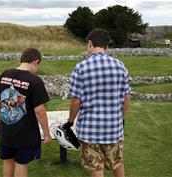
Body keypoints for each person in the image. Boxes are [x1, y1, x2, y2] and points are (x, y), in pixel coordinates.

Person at [62, 28, 130, 177]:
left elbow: (75, 101)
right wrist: (121, 117)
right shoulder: (120, 66)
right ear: (107, 46)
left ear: (90, 43)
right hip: (114, 128)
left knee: (96, 167)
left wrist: (70, 121)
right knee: (117, 163)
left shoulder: (81, 68)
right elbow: (126, 98)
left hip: (89, 130)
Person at [0, 48, 52, 177]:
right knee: (21, 164)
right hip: (25, 134)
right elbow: (40, 112)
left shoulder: (5, 74)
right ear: (35, 61)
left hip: (5, 130)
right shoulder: (35, 81)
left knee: (8, 161)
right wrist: (46, 134)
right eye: (38, 65)